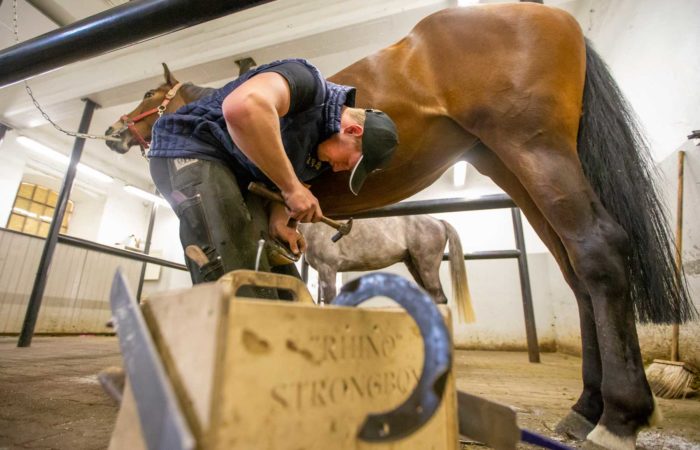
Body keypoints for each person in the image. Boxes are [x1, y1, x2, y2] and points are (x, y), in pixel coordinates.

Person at [147, 58, 399, 285]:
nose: (341, 169)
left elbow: (280, 186)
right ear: (353, 131)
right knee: (232, 264)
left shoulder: (319, 159)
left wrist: (280, 222)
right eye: (350, 163)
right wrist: (292, 187)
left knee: (276, 276)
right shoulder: (308, 83)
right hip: (193, 145)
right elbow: (243, 107)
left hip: (237, 175)